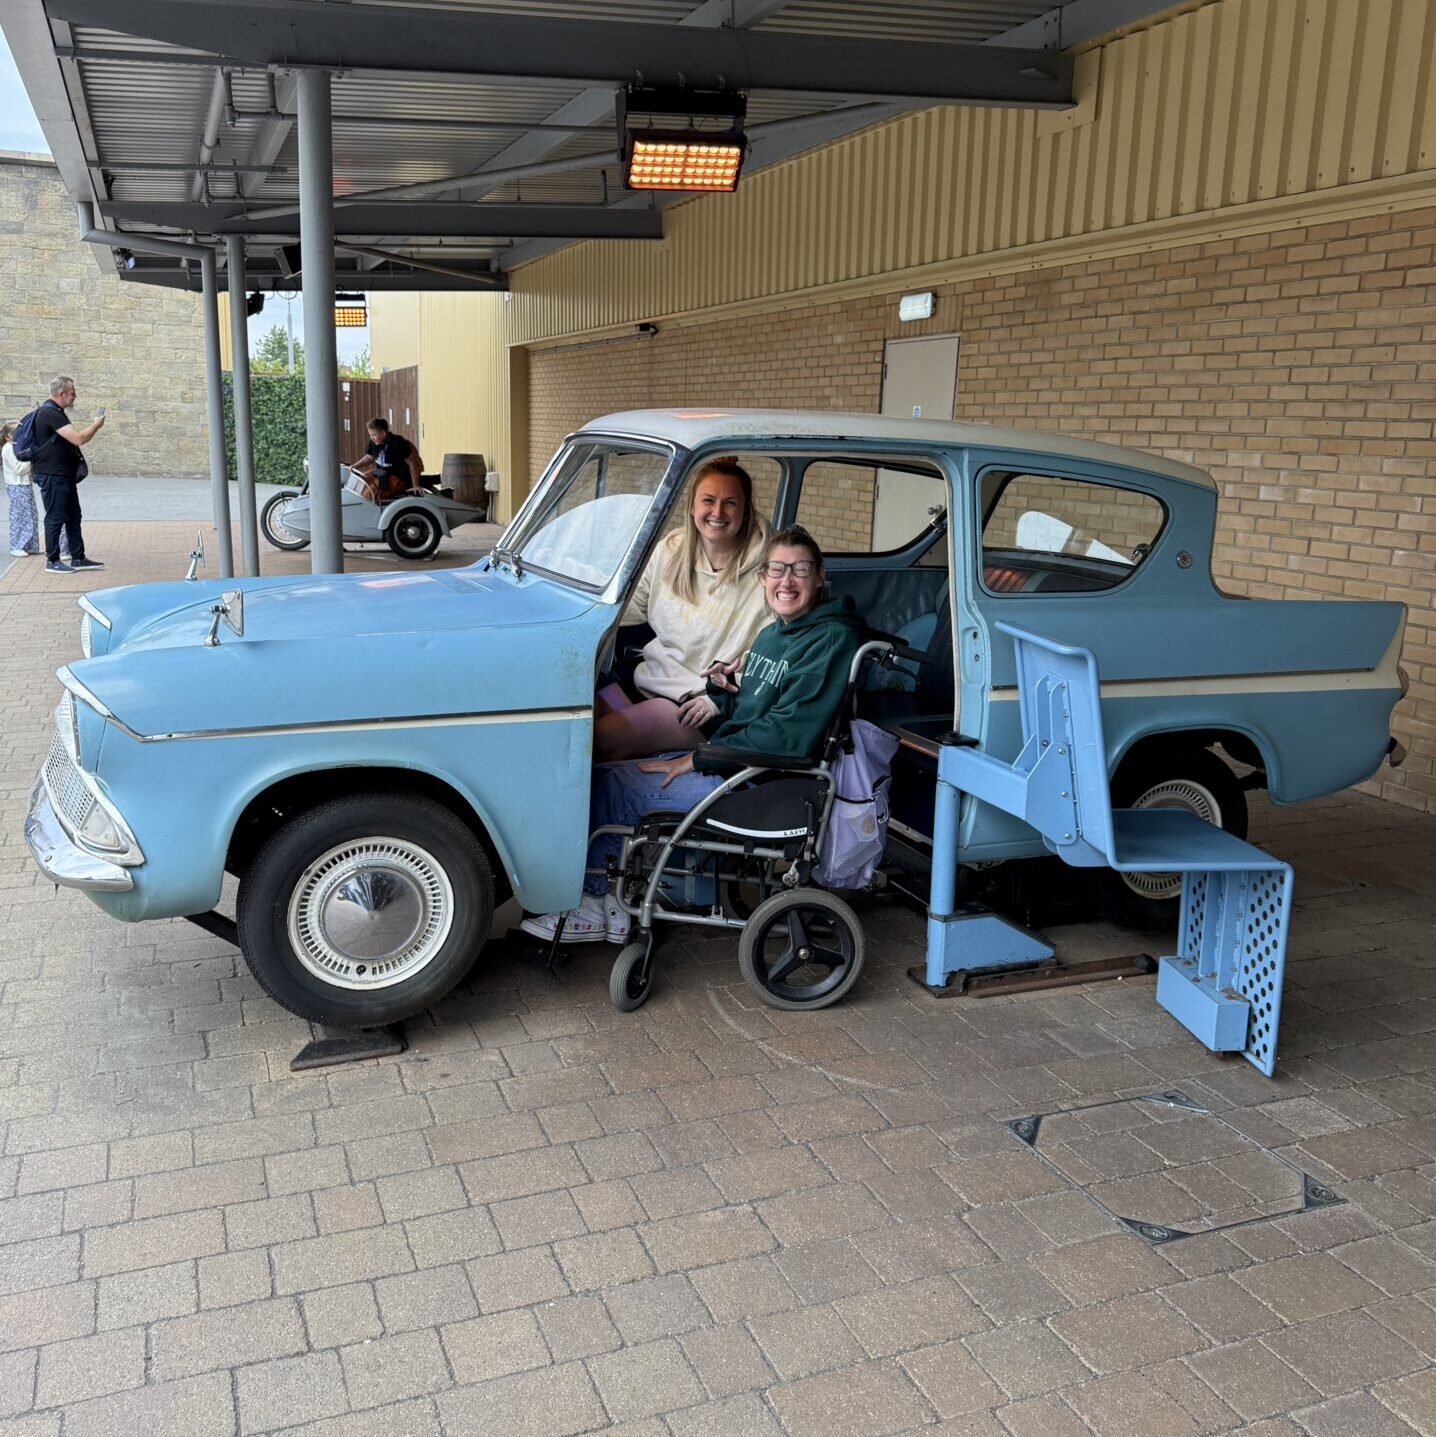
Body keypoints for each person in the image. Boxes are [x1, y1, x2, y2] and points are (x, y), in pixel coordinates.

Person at [522, 525, 865, 944]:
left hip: (764, 785)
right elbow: (754, 709)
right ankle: (611, 903)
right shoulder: (775, 633)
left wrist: (698, 758)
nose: (786, 581)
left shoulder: (832, 639)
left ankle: (592, 904)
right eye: (776, 569)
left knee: (616, 789)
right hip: (738, 765)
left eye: (799, 569)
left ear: (819, 575)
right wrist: (722, 693)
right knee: (609, 772)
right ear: (762, 578)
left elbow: (787, 737)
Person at [594, 457, 772, 762]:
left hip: (698, 706)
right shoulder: (672, 550)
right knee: (573, 716)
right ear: (692, 508)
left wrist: (724, 696)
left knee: (591, 744)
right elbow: (625, 612)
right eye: (708, 501)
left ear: (745, 513)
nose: (717, 512)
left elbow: (778, 654)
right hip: (648, 683)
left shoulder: (770, 572)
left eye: (730, 503)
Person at [30, 375, 105, 574]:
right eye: (72, 393)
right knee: (55, 516)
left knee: (73, 515)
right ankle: (52, 560)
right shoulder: (49, 413)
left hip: (63, 474)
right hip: (52, 474)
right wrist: (96, 424)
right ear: (61, 393)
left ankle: (78, 557)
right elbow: (78, 438)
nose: (75, 397)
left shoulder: (57, 412)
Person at [348, 418, 423, 502]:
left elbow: (412, 463)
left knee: (369, 494)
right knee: (360, 482)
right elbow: (370, 457)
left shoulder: (398, 443)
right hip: (381, 473)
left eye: (374, 435)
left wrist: (416, 485)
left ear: (383, 433)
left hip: (397, 477)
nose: (371, 438)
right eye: (370, 435)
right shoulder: (373, 443)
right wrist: (356, 465)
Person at [3, 422, 39, 558]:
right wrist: (32, 460)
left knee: (31, 514)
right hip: (16, 486)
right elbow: (18, 469)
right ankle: (17, 546)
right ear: (9, 436)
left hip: (25, 485)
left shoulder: (18, 446)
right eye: (20, 432)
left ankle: (29, 545)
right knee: (19, 515)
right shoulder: (8, 448)